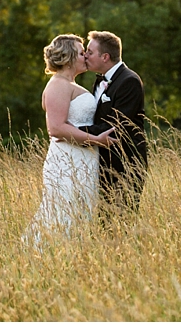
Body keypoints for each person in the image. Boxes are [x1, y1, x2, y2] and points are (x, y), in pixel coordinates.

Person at [23, 34, 116, 246]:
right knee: (63, 211)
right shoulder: (58, 85)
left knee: (80, 212)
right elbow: (56, 128)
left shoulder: (69, 84)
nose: (85, 55)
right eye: (81, 50)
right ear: (68, 56)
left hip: (82, 160)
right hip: (67, 161)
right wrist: (96, 139)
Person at [76, 30, 148, 216]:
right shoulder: (100, 81)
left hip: (125, 164)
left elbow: (116, 126)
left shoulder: (129, 81)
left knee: (120, 220)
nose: (85, 55)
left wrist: (73, 132)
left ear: (105, 56)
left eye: (90, 52)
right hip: (102, 162)